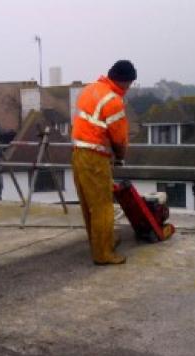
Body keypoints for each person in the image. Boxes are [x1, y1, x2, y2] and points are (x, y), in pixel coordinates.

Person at [71, 60, 136, 265]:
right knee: (103, 206)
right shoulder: (114, 100)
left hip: (78, 152)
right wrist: (121, 156)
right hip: (95, 156)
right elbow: (119, 138)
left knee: (89, 205)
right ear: (125, 82)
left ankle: (100, 242)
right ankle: (103, 253)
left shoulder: (92, 89)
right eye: (130, 84)